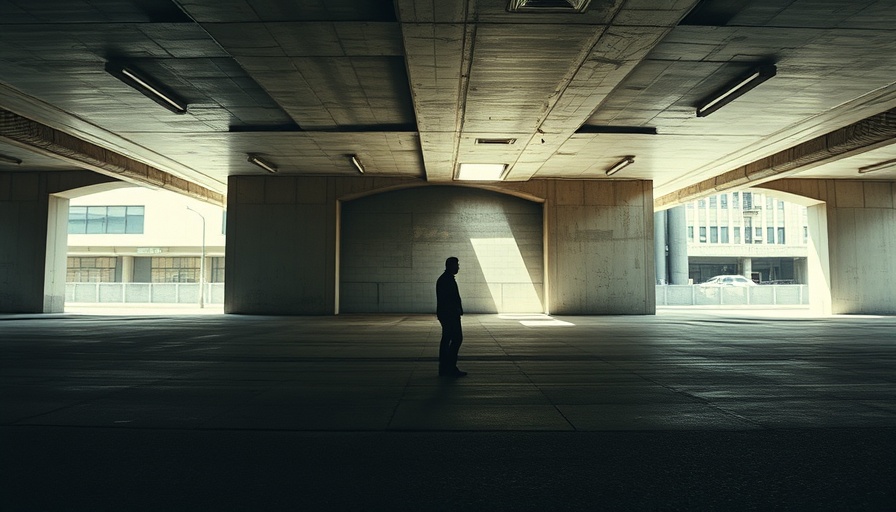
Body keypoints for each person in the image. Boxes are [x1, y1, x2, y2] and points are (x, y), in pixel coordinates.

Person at [436, 257, 467, 377]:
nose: (458, 267)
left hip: (447, 314)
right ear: (450, 265)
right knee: (456, 338)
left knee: (447, 339)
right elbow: (449, 299)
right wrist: (456, 310)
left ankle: (445, 368)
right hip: (450, 315)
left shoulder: (445, 279)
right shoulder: (447, 280)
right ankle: (450, 368)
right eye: (457, 265)